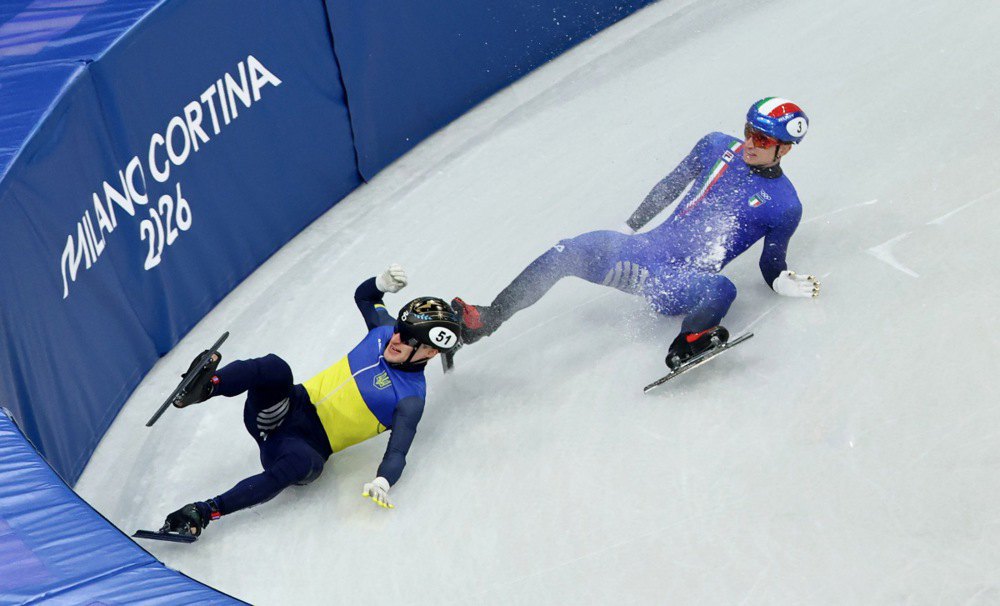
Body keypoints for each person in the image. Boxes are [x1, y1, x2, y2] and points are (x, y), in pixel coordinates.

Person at [451, 98, 820, 369]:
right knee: (568, 250)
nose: (750, 144)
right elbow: (670, 184)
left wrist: (778, 281)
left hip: (677, 281)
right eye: (748, 132)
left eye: (762, 139)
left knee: (722, 289)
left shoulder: (784, 205)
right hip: (642, 251)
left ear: (785, 148)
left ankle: (690, 339)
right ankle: (486, 320)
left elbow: (772, 263)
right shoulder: (715, 146)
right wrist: (628, 228)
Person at [160, 264, 460, 537]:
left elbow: (398, 453)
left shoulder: (410, 398)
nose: (396, 339)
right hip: (280, 410)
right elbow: (365, 297)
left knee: (299, 463)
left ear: (431, 352)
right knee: (275, 367)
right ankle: (204, 387)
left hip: (304, 447)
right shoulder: (382, 332)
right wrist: (380, 283)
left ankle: (202, 511)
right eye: (399, 330)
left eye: (409, 340)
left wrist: (383, 481)